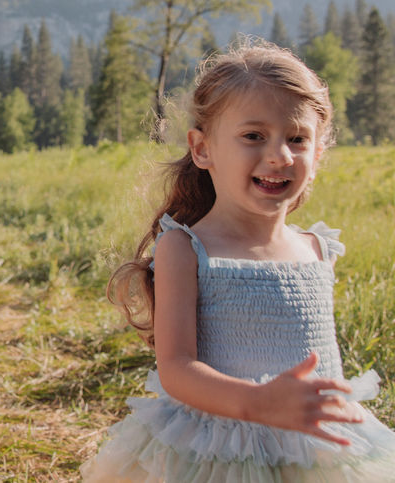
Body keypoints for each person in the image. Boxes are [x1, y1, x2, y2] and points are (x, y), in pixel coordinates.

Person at [82, 43, 395, 480]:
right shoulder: (186, 248)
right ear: (202, 148)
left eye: (298, 138)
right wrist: (259, 401)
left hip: (317, 448)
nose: (280, 156)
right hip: (219, 448)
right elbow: (176, 369)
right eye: (253, 136)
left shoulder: (316, 249)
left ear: (318, 152)